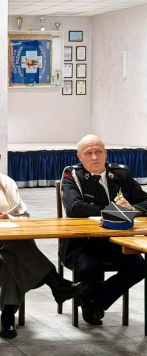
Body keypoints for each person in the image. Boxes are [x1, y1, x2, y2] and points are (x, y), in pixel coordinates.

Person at [0, 139, 85, 338]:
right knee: (15, 243)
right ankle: (54, 281)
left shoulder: (6, 182)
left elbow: (24, 216)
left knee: (11, 256)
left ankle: (8, 317)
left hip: (7, 243)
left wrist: (7, 218)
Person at [60, 134, 147, 325]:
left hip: (115, 240)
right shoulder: (72, 175)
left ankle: (94, 302)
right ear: (79, 157)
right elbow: (75, 208)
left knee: (139, 267)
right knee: (89, 269)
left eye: (98, 152)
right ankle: (92, 305)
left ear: (105, 153)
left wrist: (132, 209)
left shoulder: (120, 174)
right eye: (88, 153)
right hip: (83, 242)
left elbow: (145, 201)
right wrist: (114, 210)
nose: (94, 157)